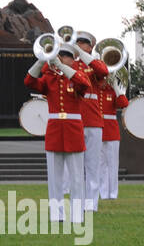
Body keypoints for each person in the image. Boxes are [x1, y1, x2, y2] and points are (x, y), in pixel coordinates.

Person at [24, 42, 89, 224]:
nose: (61, 58)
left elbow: (84, 84)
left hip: (73, 129)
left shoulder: (77, 76)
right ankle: (56, 214)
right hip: (54, 129)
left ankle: (77, 214)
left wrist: (61, 67)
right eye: (59, 55)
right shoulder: (49, 78)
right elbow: (29, 81)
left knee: (76, 177)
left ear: (72, 59)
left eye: (65, 56)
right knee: (55, 177)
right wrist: (41, 61)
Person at [74, 31, 109, 212]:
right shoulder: (70, 63)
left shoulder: (94, 63)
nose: (80, 45)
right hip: (76, 121)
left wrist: (85, 56)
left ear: (90, 47)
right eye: (77, 43)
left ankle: (91, 204)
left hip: (94, 121)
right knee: (77, 166)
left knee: (93, 165)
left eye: (84, 43)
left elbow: (103, 71)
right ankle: (78, 202)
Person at [99, 73, 128, 201]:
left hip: (111, 131)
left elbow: (124, 103)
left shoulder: (112, 91)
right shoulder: (96, 91)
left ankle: (113, 194)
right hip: (98, 130)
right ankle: (103, 193)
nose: (105, 81)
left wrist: (116, 87)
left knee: (113, 164)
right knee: (101, 165)